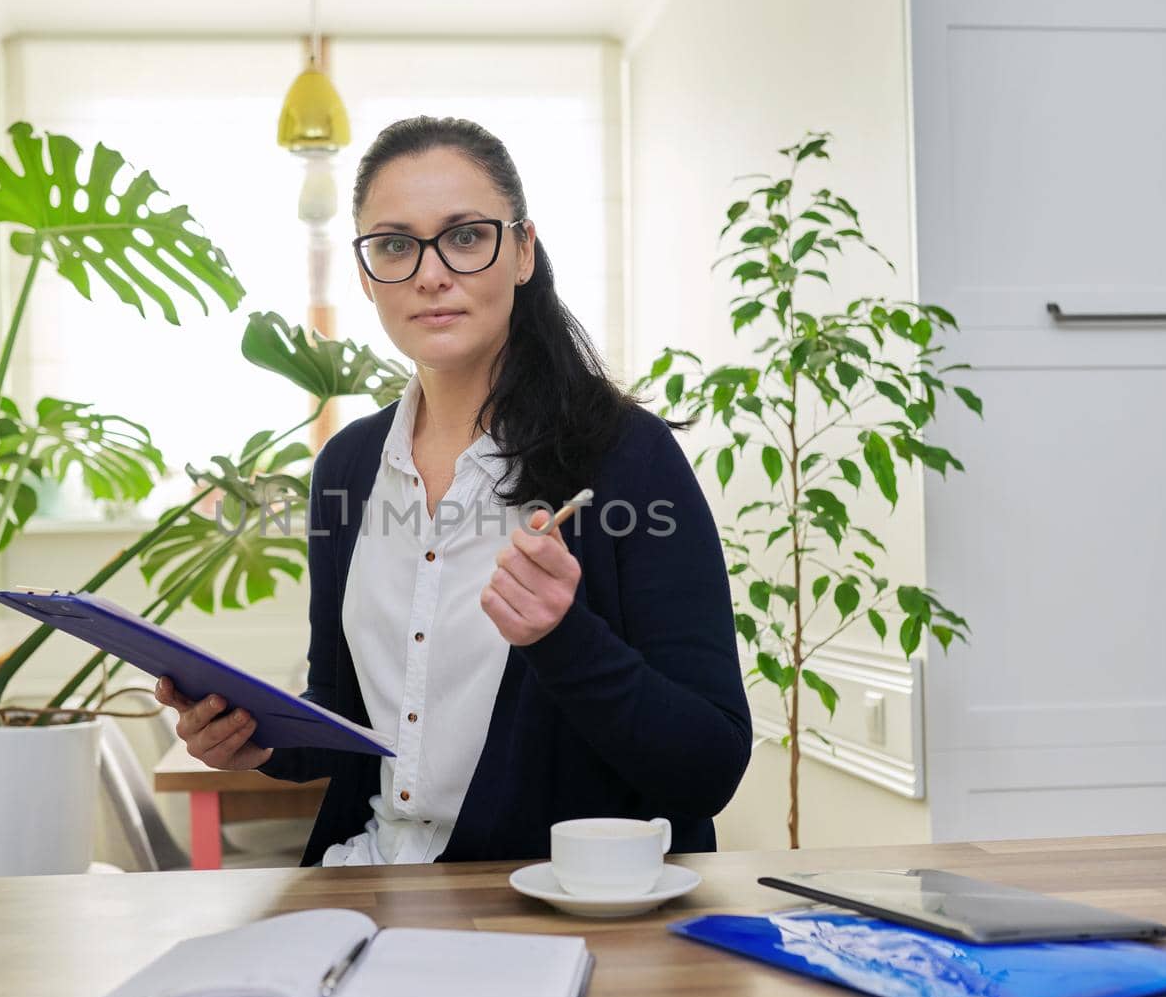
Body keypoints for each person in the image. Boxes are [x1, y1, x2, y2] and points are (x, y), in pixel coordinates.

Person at [156, 115, 751, 867]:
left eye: (466, 237)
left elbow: (709, 766)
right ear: (367, 275)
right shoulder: (348, 465)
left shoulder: (627, 459)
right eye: (397, 245)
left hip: (540, 910)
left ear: (522, 251)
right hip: (363, 884)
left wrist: (563, 637)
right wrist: (255, 740)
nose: (431, 273)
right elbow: (350, 722)